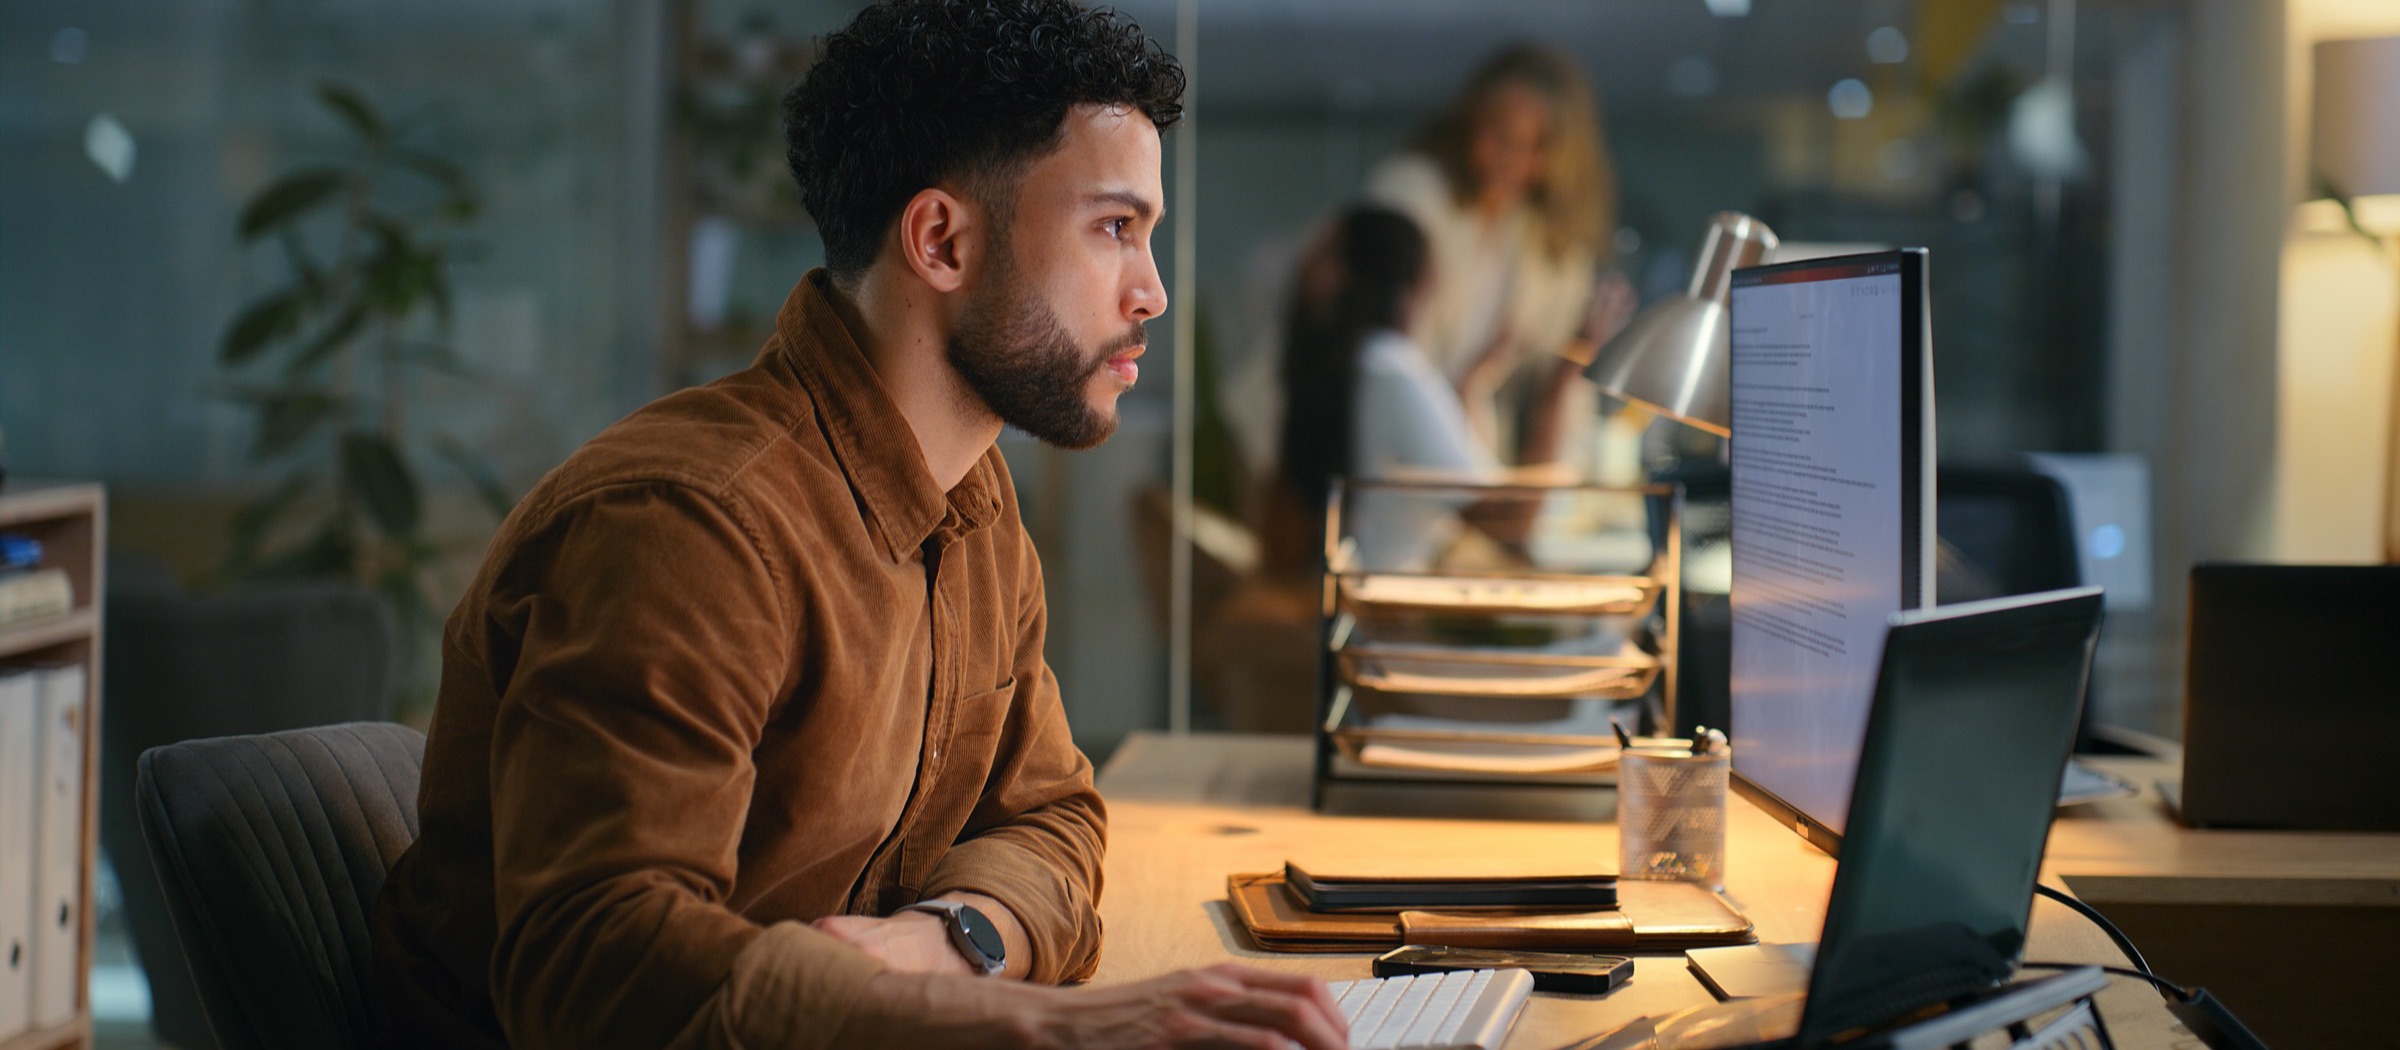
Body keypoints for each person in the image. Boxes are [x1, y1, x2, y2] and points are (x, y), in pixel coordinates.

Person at [368, 3, 1347, 1048]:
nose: (1151, 292)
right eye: (1114, 228)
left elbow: (1052, 820)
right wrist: (1050, 1031)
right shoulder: (687, 529)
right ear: (941, 240)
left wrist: (945, 942)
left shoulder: (970, 501)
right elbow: (598, 970)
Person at [1364, 43, 1629, 466]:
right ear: (1469, 121)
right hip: (1384, 458)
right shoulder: (1412, 198)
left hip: (1457, 464)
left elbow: (1554, 372)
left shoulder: (1538, 237)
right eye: (1498, 131)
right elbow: (1388, 368)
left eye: (1536, 143)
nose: (1510, 158)